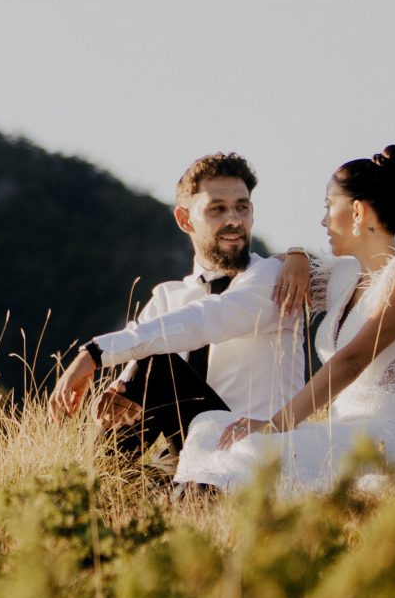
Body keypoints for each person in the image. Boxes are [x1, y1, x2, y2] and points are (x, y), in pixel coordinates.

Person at [176, 145, 395, 494]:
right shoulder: (343, 277)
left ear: (357, 211)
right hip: (347, 429)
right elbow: (269, 270)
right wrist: (296, 254)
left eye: (328, 206)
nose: (323, 221)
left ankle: (210, 495)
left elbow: (352, 361)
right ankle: (192, 497)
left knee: (261, 447)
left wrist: (276, 424)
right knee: (210, 425)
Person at [51, 152, 312, 469]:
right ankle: (98, 486)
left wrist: (94, 353)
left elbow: (204, 321)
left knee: (159, 361)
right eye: (217, 209)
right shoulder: (168, 297)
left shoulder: (273, 276)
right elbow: (135, 376)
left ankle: (96, 483)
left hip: (259, 455)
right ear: (185, 220)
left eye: (242, 207)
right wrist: (111, 401)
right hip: (190, 454)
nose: (234, 220)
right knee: (148, 372)